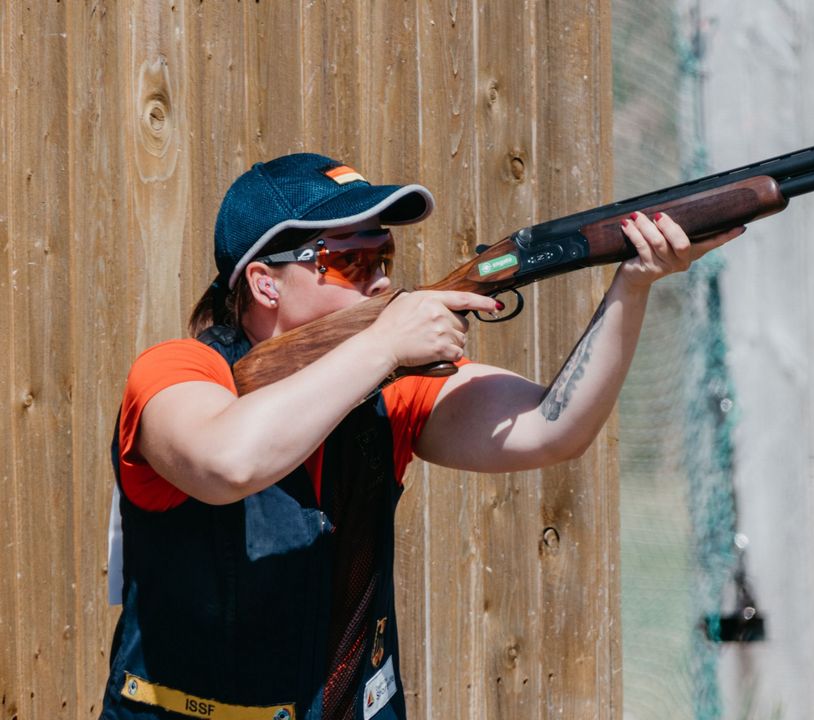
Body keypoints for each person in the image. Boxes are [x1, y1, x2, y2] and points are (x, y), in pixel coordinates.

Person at [99, 153, 743, 720]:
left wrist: (633, 285)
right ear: (266, 282)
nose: (380, 280)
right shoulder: (178, 372)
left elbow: (552, 428)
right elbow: (228, 462)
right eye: (348, 261)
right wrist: (382, 343)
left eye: (384, 257)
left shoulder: (388, 386)